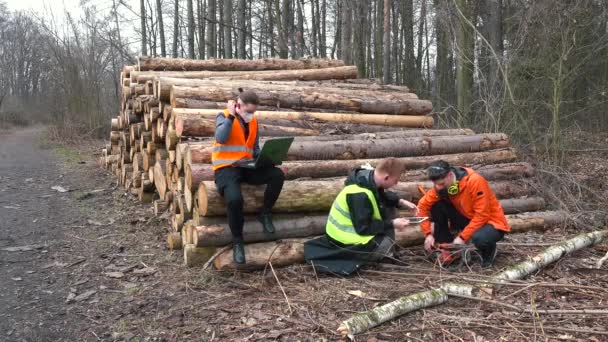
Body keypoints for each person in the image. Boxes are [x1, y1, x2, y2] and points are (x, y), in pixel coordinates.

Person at [304, 158, 417, 275]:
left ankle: (384, 252)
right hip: (344, 240)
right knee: (385, 243)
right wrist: (392, 223)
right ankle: (381, 255)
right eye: (396, 180)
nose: (396, 184)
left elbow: (382, 197)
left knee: (389, 209)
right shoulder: (359, 195)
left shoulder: (368, 179)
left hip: (354, 230)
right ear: (386, 177)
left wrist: (400, 201)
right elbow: (364, 228)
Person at [212, 90, 285, 264]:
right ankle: (238, 240)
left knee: (277, 175)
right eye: (249, 111)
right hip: (226, 168)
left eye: (254, 112)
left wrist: (268, 160)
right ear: (239, 105)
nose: (252, 115)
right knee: (235, 200)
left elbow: (255, 148)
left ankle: (265, 213)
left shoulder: (253, 122)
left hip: (247, 166)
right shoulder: (223, 116)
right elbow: (220, 138)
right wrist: (230, 116)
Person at [417, 160, 510, 268]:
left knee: (480, 238)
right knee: (436, 204)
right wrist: (427, 234)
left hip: (491, 222)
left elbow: (482, 215)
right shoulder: (440, 187)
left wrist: (462, 237)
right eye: (436, 185)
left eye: (442, 184)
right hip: (466, 217)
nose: (439, 187)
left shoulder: (474, 181)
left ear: (450, 175)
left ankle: (489, 251)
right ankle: (446, 245)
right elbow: (422, 206)